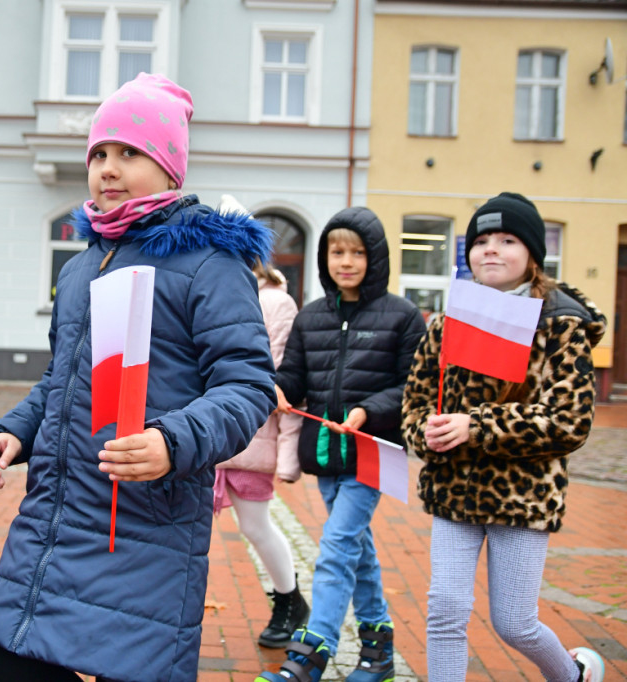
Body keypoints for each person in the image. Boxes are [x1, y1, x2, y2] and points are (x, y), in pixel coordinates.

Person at [0, 72, 278, 682]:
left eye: (130, 153)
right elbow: (61, 377)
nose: (108, 168)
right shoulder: (82, 266)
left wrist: (172, 441)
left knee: (128, 670)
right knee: (10, 660)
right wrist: (17, 429)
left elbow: (247, 386)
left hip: (144, 522)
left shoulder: (210, 265)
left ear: (170, 169)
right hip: (59, 516)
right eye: (100, 154)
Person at [401, 192, 607, 682]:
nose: (491, 249)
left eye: (507, 240)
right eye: (481, 240)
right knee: (445, 608)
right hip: (454, 488)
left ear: (532, 254)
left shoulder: (561, 323)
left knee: (514, 623)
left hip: (522, 494)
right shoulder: (450, 318)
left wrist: (478, 426)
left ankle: (572, 676)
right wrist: (423, 432)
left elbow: (570, 419)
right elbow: (415, 398)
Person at [259, 207, 427, 682]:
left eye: (357, 252)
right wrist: (276, 388)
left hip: (374, 451)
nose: (347, 261)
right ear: (324, 256)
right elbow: (293, 375)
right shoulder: (311, 317)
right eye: (337, 251)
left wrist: (368, 411)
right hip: (326, 454)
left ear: (376, 257)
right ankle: (378, 654)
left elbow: (411, 385)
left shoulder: (402, 315)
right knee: (358, 549)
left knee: (335, 546)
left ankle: (312, 654)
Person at [212, 255, 309, 648]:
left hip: (252, 432)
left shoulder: (276, 302)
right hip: (206, 431)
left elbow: (279, 374)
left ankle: (290, 600)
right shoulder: (213, 291)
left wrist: (287, 453)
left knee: (255, 525)